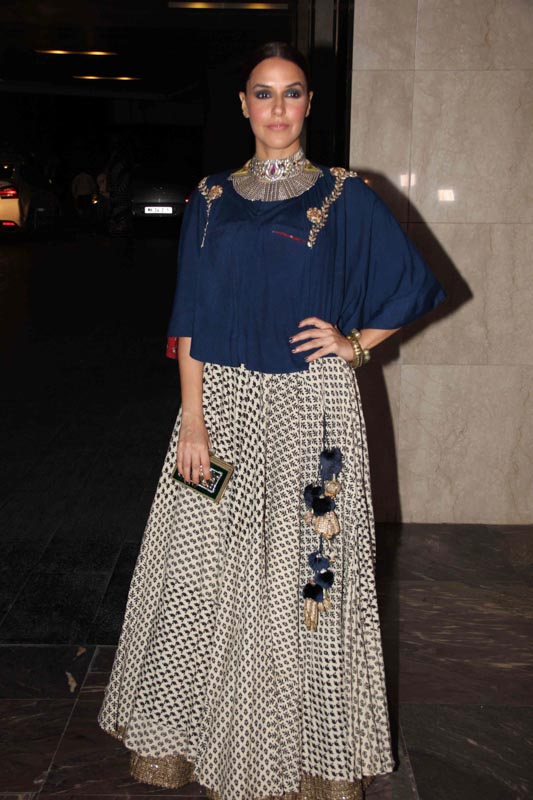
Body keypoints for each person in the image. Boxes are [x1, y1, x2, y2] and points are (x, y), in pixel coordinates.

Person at [98, 41, 446, 800]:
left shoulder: (346, 195)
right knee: (198, 567)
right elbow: (189, 317)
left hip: (312, 410)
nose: (278, 107)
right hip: (219, 408)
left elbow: (414, 285)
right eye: (263, 92)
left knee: (307, 579)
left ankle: (308, 752)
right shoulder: (210, 198)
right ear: (243, 105)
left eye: (292, 92)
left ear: (309, 104)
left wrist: (355, 344)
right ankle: (189, 738)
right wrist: (193, 421)